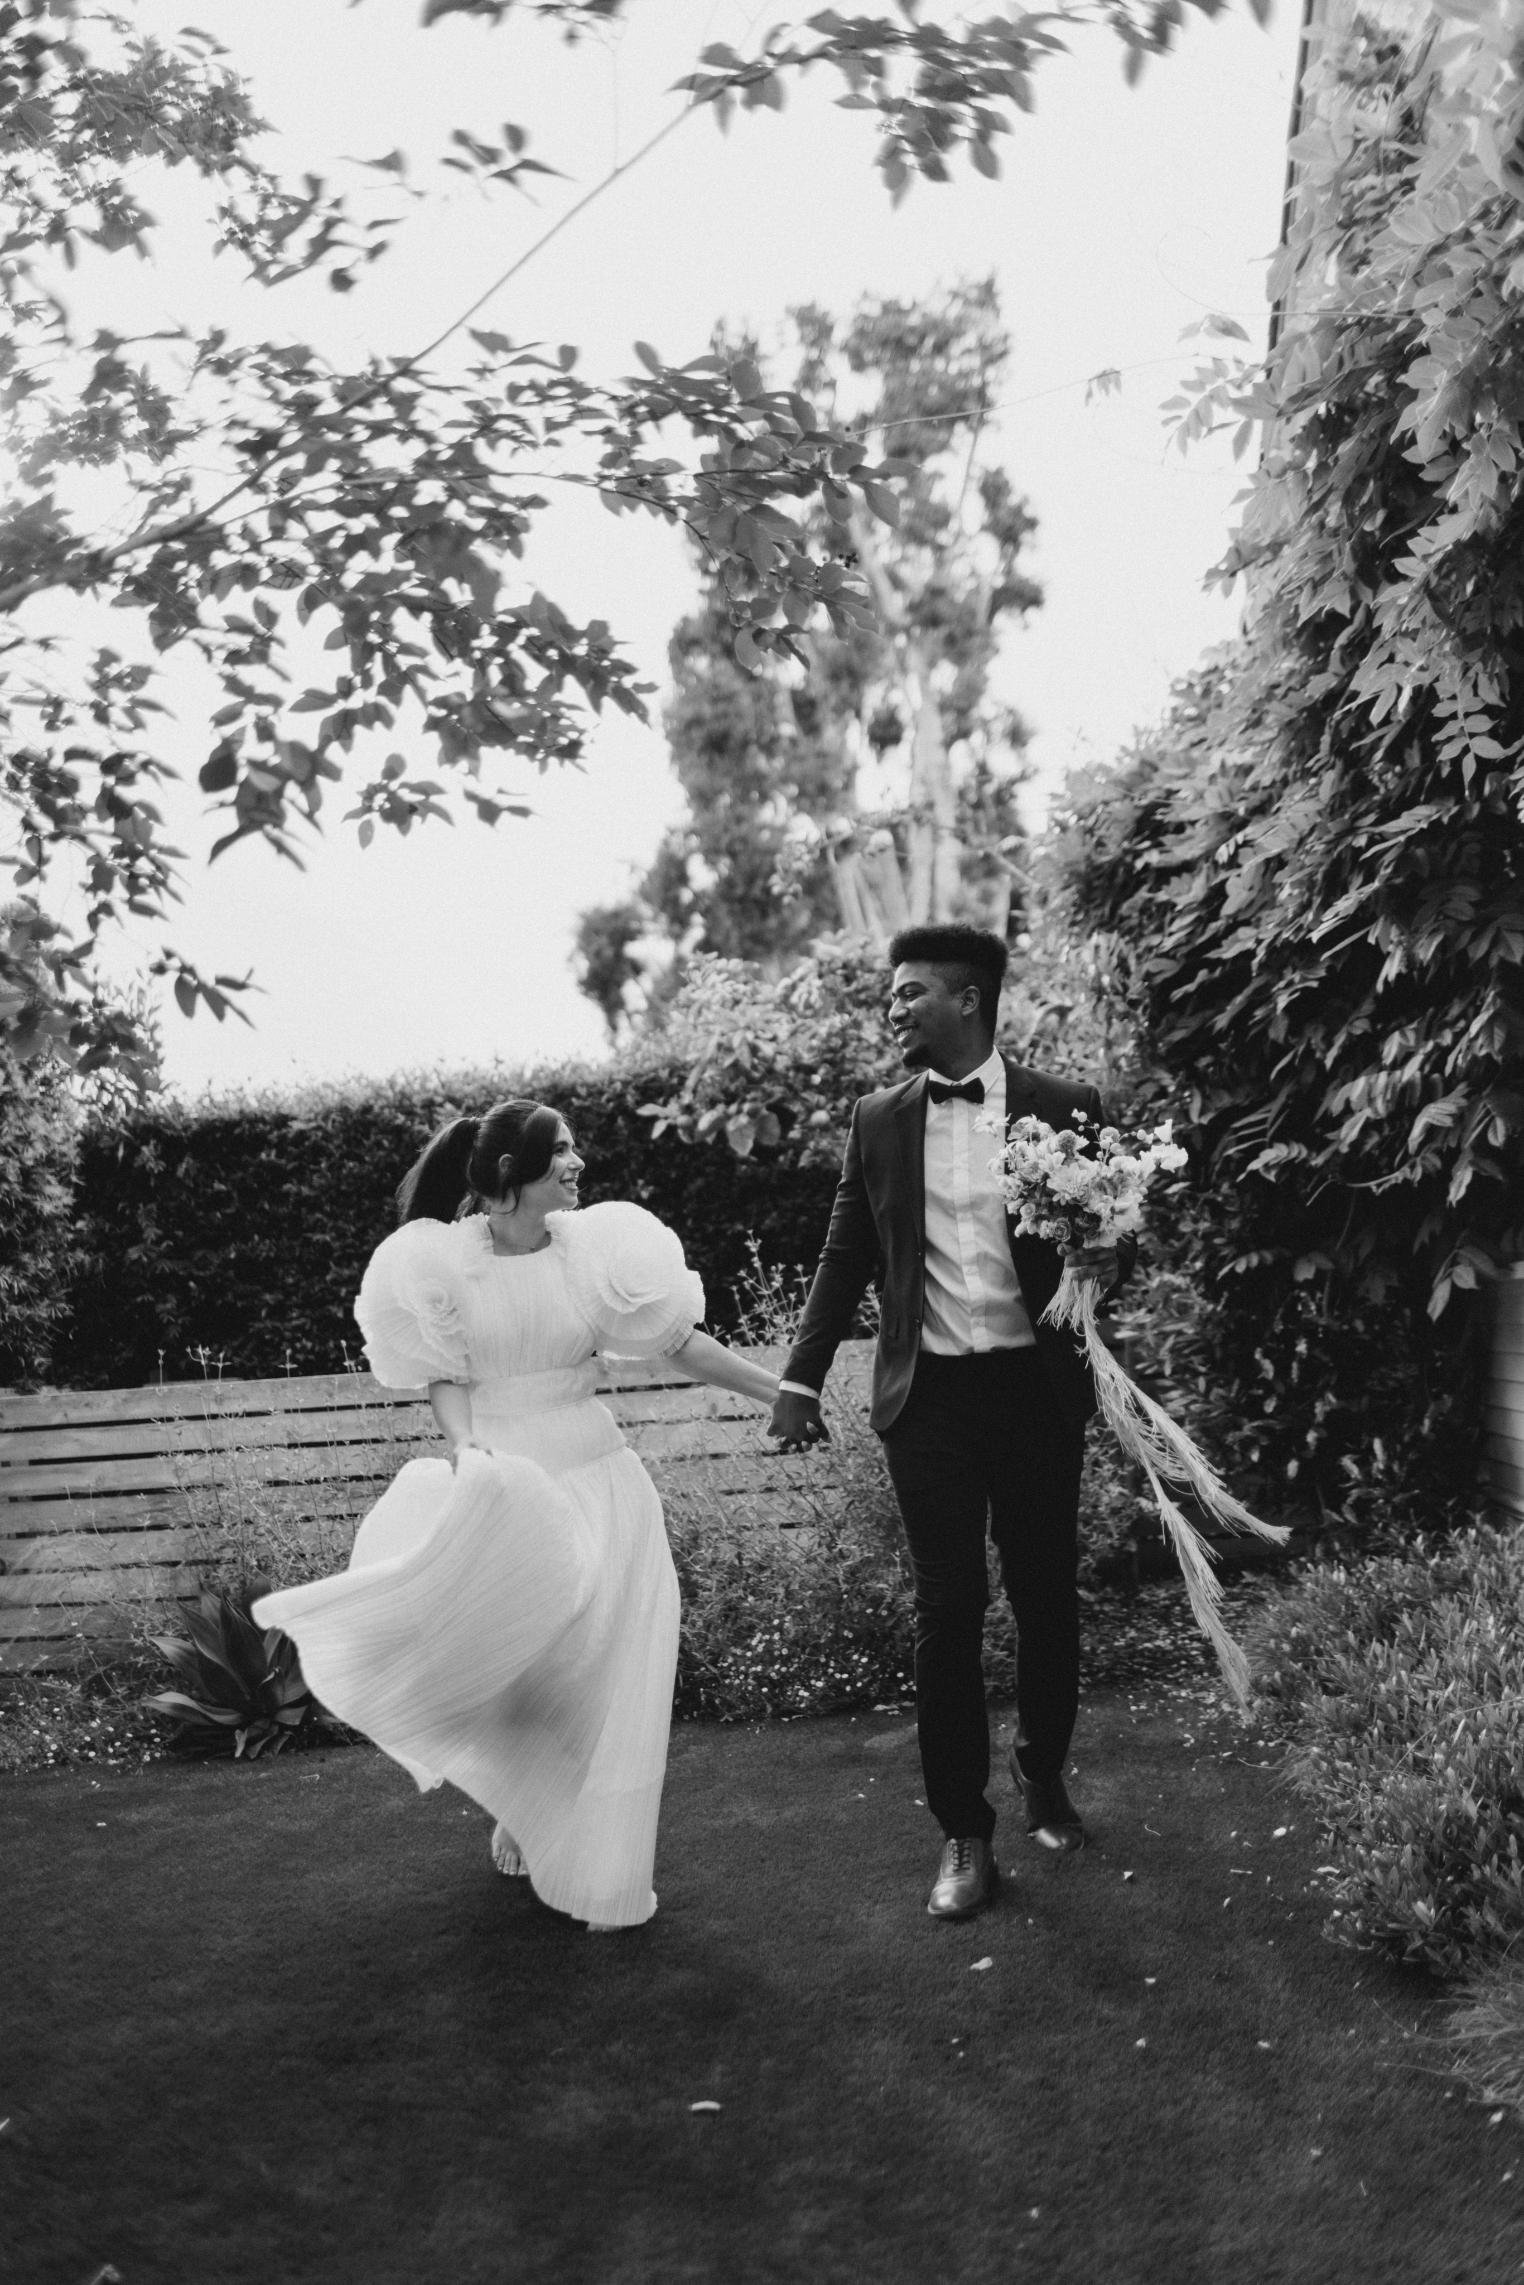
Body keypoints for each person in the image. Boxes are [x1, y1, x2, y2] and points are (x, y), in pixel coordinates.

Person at [254, 1099, 779, 1933]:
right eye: (560, 1151)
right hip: (508, 1480)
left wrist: (777, 1390)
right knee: (524, 1668)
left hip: (600, 1474)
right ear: (511, 1173)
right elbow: (444, 1370)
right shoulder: (439, 1261)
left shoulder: (596, 1250)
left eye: (574, 1149)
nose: (577, 1164)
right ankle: (523, 1801)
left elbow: (680, 1340)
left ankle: (593, 1850)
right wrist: (466, 1449)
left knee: (599, 1665)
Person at [768, 925, 1133, 1922]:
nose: (894, 1007)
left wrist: (1108, 1258)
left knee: (1047, 1593)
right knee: (948, 1607)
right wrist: (798, 1382)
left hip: (1034, 1395)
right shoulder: (877, 1119)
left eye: (911, 992)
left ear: (968, 1000)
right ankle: (963, 1831)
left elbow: (1105, 1242)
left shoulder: (1067, 1108)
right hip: (928, 1400)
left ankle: (1044, 1778)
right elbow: (846, 1254)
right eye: (892, 994)